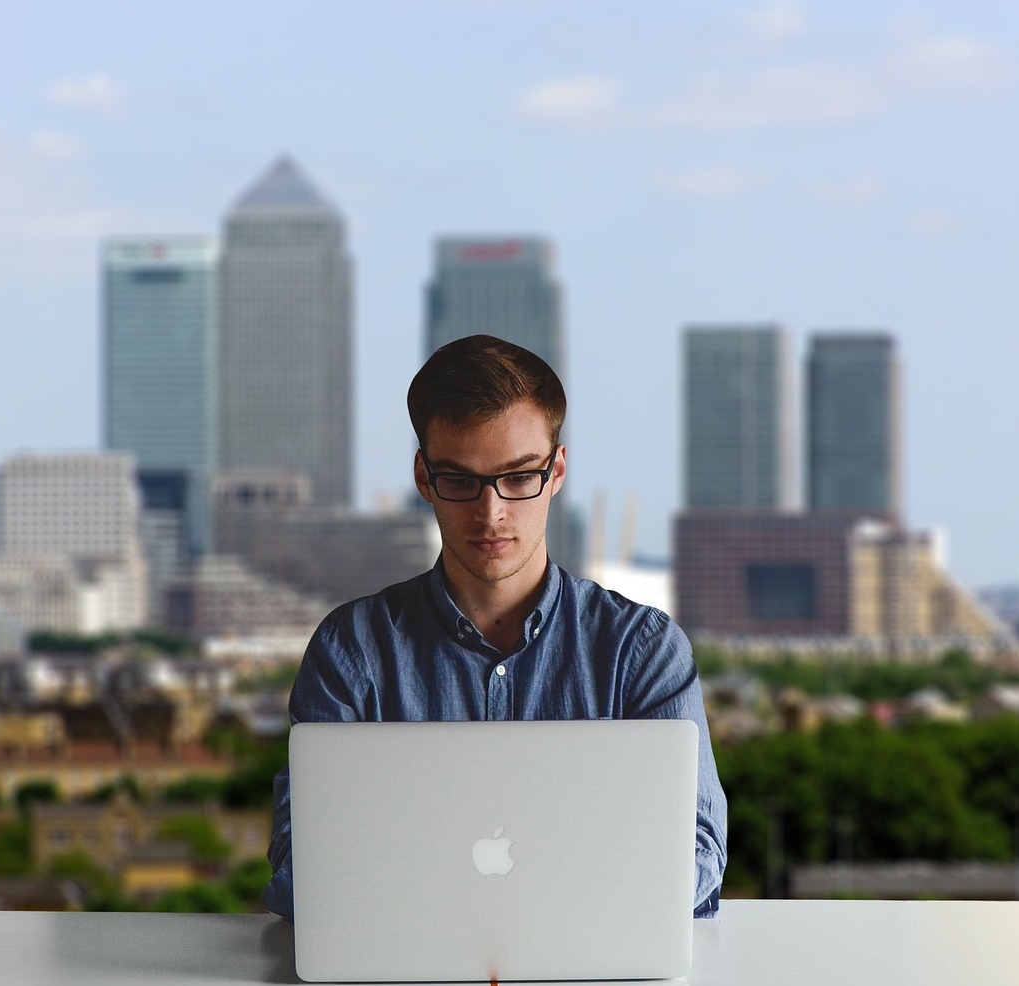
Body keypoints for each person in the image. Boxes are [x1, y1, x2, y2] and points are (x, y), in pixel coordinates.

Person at [263, 334, 727, 917]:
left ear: (556, 471)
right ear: (424, 478)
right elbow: (300, 865)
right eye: (460, 481)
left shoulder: (643, 651)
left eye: (518, 476)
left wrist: (471, 902)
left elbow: (698, 852)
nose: (491, 513)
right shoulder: (350, 651)